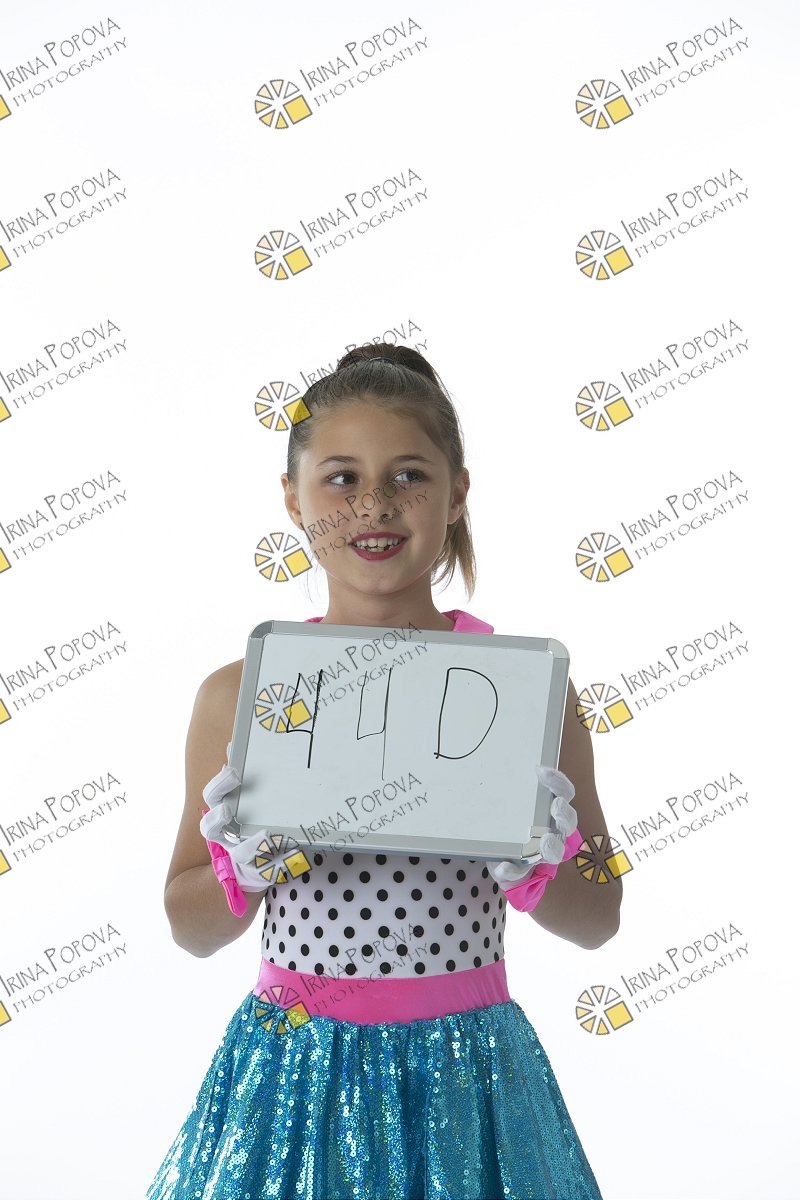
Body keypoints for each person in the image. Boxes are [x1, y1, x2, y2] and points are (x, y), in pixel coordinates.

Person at [146, 344, 622, 1200]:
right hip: (296, 1075)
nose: (374, 503)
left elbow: (601, 916)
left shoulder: (528, 693)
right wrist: (238, 872)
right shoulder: (244, 694)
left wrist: (543, 868)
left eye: (409, 475)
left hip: (467, 1078)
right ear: (292, 499)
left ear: (457, 493)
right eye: (341, 478)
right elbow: (188, 925)